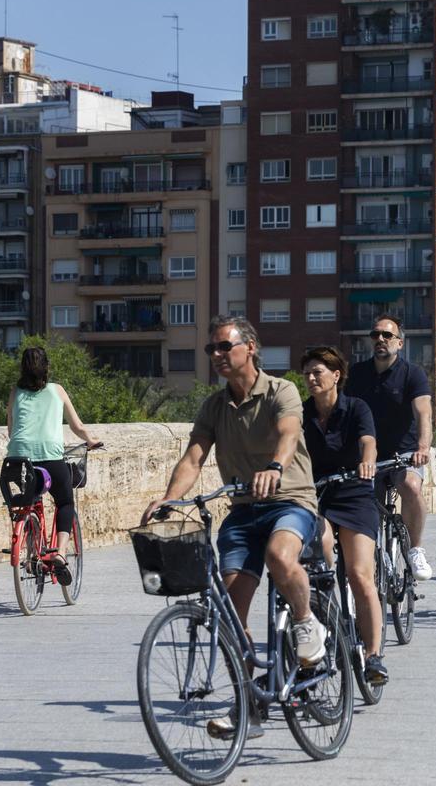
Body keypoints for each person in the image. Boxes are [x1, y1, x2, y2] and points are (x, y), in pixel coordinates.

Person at [141, 316, 325, 740]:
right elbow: (194, 458)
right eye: (212, 350)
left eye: (225, 347)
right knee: (229, 607)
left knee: (281, 556)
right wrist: (169, 497)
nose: (218, 356)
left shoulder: (282, 390)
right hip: (243, 509)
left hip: (290, 500)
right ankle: (249, 706)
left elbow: (288, 433)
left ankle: (304, 620)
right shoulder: (214, 406)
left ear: (251, 348)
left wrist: (275, 466)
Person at [300, 346, 387, 687]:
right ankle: (329, 617)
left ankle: (373, 654)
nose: (310, 378)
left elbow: (369, 442)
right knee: (320, 560)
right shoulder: (302, 413)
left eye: (317, 372)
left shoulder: (356, 408)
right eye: (307, 372)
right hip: (318, 494)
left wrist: (366, 461)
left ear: (336, 375)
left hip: (354, 493)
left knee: (360, 575)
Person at [346, 314, 434, 581]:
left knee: (410, 485)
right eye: (375, 335)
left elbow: (424, 414)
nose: (380, 340)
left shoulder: (412, 373)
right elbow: (345, 413)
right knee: (362, 501)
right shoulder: (358, 374)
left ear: (400, 342)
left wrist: (422, 447)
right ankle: (372, 552)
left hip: (404, 453)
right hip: (367, 455)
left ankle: (415, 549)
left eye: (387, 335)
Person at [5, 347, 101, 586]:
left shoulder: (15, 392)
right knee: (65, 501)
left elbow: (11, 429)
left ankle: (30, 554)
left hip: (17, 461)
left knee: (29, 503)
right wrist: (90, 441)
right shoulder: (57, 390)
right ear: (46, 367)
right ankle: (59, 553)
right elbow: (76, 425)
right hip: (50, 459)